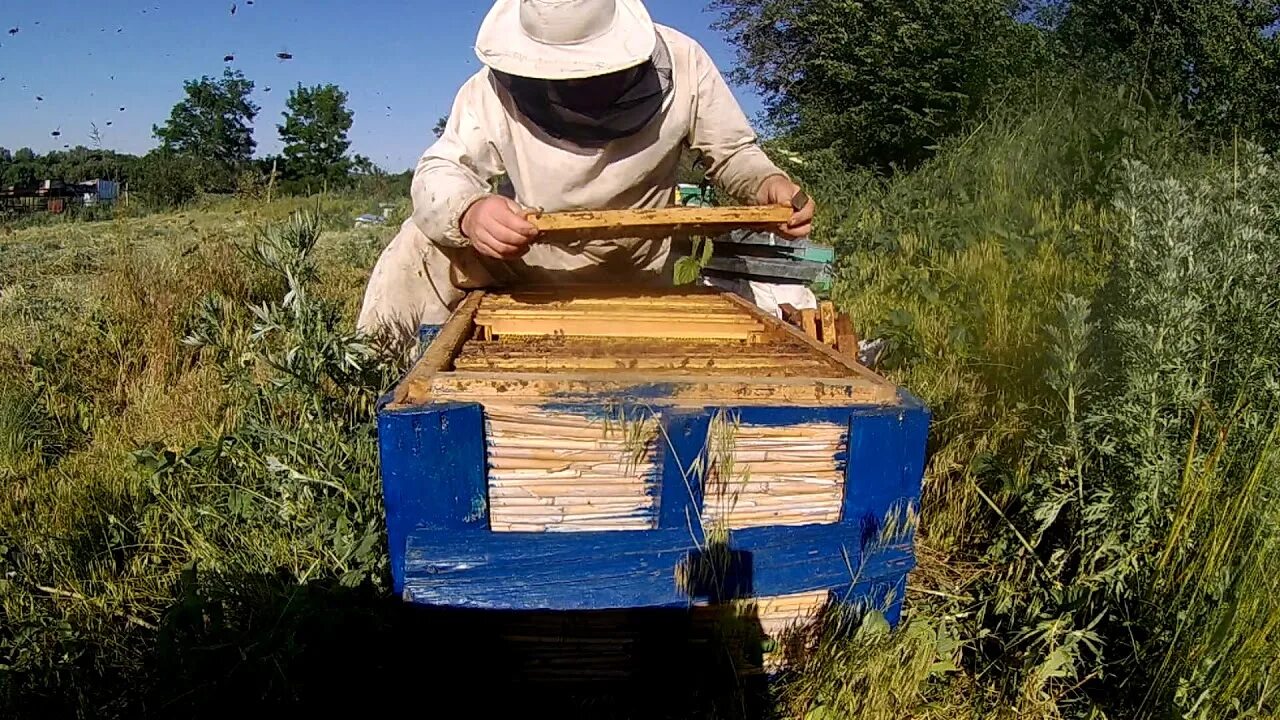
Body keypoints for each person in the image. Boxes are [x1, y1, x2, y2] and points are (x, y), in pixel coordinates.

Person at [357, 0, 815, 347]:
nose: (576, 88)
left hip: (636, 273)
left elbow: (733, 152)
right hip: (526, 267)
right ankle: (372, 390)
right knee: (421, 242)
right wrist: (472, 212)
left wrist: (767, 184)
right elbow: (440, 171)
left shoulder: (686, 62)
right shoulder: (492, 89)